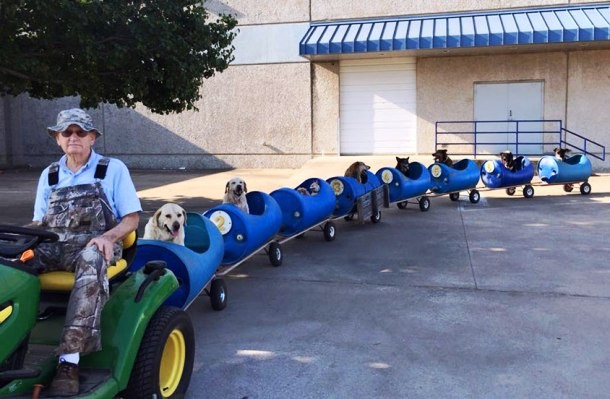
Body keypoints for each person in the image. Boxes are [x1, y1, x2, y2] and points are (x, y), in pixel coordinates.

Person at [30, 108, 142, 396]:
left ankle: (69, 362)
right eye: (66, 132)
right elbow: (38, 221)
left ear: (92, 137)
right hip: (55, 245)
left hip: (97, 244)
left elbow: (131, 218)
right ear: (57, 139)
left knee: (92, 259)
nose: (73, 137)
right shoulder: (50, 174)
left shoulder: (112, 169)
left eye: (80, 132)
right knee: (11, 260)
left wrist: (108, 236)